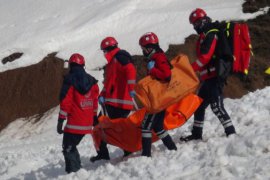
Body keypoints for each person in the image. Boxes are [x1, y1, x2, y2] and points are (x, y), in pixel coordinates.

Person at [180, 8, 236, 142]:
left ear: (203, 20)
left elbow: (205, 57)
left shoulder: (211, 34)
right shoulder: (205, 35)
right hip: (207, 78)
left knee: (217, 106)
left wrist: (190, 69)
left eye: (196, 23)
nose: (195, 27)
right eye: (194, 24)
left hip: (215, 77)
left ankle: (231, 133)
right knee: (199, 106)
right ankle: (197, 134)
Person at [90, 36, 137, 162]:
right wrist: (102, 95)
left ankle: (125, 150)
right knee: (103, 127)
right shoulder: (112, 63)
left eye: (104, 51)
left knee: (106, 127)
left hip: (119, 103)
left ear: (108, 49)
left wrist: (131, 87)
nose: (104, 54)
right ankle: (110, 152)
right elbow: (109, 84)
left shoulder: (120, 57)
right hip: (112, 103)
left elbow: (130, 70)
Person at [57, 53, 99, 173]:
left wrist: (61, 120)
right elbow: (94, 101)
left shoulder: (69, 80)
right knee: (71, 145)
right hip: (87, 123)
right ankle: (76, 170)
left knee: (68, 147)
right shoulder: (92, 81)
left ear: (71, 65)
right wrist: (94, 116)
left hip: (74, 123)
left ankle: (74, 173)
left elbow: (66, 102)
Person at [139, 32, 177, 157]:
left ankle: (146, 155)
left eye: (144, 49)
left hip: (158, 99)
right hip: (159, 98)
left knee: (146, 126)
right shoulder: (156, 57)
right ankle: (172, 148)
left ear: (150, 48)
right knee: (158, 126)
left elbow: (166, 75)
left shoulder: (159, 57)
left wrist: (152, 70)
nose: (143, 51)